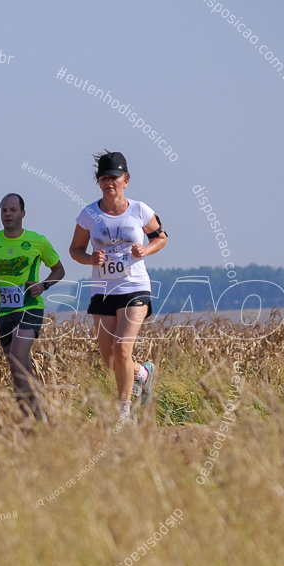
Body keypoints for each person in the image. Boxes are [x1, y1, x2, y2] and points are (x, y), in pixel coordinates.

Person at [68, 151, 167, 422]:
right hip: (102, 289)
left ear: (126, 180)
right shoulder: (89, 214)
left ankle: (123, 412)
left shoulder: (139, 210)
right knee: (110, 357)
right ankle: (143, 373)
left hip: (134, 286)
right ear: (98, 182)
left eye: (114, 177)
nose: (109, 182)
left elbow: (161, 237)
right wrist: (90, 258)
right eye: (104, 178)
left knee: (123, 349)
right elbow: (75, 249)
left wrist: (145, 251)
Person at [0, 193, 65, 419]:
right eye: (4, 210)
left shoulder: (37, 241)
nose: (8, 214)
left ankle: (42, 411)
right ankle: (33, 418)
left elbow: (59, 270)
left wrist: (43, 285)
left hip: (30, 307)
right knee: (17, 368)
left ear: (23, 214)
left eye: (13, 210)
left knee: (16, 357)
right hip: (3, 311)